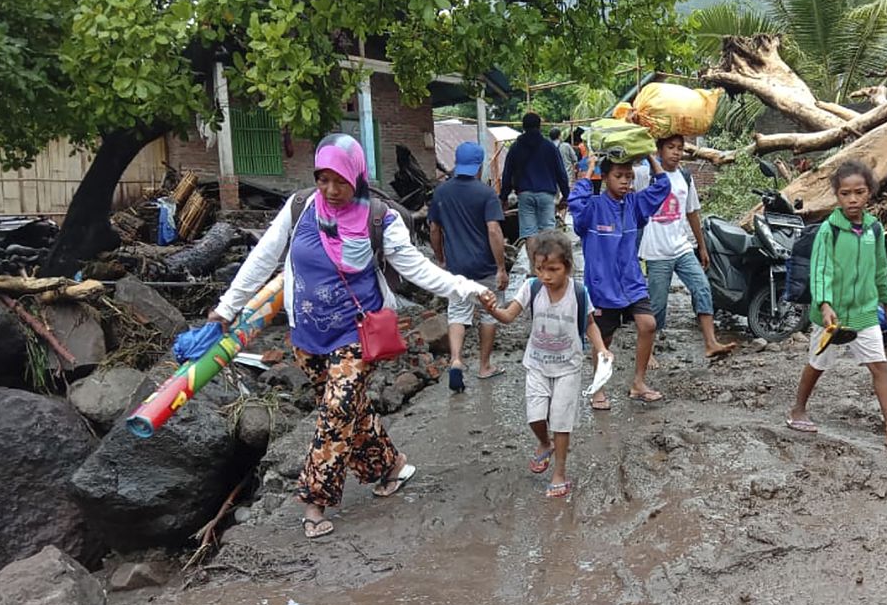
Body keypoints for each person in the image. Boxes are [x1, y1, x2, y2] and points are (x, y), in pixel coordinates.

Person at [210, 134, 489, 539]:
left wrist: (466, 288)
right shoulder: (300, 207)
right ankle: (389, 467)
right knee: (350, 410)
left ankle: (313, 500)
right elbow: (263, 258)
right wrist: (227, 307)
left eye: (339, 181)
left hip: (357, 334)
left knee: (337, 410)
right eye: (323, 179)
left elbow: (418, 270)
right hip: (306, 336)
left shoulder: (380, 219)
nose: (330, 190)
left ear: (357, 176)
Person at [785, 159, 887, 449]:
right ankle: (798, 409)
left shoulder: (873, 229)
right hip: (832, 318)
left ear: (869, 192)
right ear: (837, 195)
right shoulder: (829, 230)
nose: (852, 199)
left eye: (859, 192)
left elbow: (879, 268)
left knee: (880, 367)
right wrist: (823, 305)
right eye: (845, 193)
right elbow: (820, 271)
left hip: (864, 313)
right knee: (817, 363)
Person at [480, 231, 609, 498]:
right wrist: (492, 309)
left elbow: (589, 325)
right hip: (537, 364)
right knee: (535, 417)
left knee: (562, 422)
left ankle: (559, 472)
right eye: (540, 269)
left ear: (568, 268)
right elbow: (508, 316)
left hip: (568, 367)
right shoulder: (531, 287)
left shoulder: (578, 292)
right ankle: (543, 442)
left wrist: (602, 349)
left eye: (553, 270)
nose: (546, 276)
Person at [570, 153, 670, 409]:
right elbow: (575, 203)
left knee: (648, 325)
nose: (625, 181)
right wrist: (589, 168)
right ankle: (598, 389)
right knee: (603, 339)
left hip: (632, 281)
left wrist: (649, 154)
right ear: (604, 179)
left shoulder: (635, 204)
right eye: (618, 176)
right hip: (603, 286)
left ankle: (638, 383)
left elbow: (662, 187)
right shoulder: (592, 208)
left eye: (629, 176)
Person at [633, 134, 736, 360]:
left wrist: (702, 246)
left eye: (680, 148)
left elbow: (692, 212)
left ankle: (710, 342)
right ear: (659, 149)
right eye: (670, 147)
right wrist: (648, 153)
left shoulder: (685, 177)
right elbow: (625, 168)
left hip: (682, 247)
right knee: (657, 303)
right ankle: (647, 352)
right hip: (656, 251)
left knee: (702, 288)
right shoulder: (644, 176)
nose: (676, 152)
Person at [429, 141, 508, 391]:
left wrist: (440, 258)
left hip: (456, 269)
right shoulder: (486, 194)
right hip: (484, 267)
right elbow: (494, 230)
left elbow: (434, 229)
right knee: (488, 313)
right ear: (479, 165)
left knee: (457, 314)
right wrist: (501, 267)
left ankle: (455, 360)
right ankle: (484, 367)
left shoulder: (441, 193)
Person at [499, 112, 571, 255]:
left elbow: (507, 174)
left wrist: (503, 197)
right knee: (548, 232)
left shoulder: (515, 148)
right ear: (539, 126)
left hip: (525, 194)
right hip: (546, 194)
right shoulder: (549, 147)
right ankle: (548, 266)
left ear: (523, 127)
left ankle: (534, 268)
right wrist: (566, 195)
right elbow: (561, 173)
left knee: (529, 233)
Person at [573, 127, 602, 195]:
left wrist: (577, 172)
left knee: (586, 193)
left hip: (585, 174)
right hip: (597, 174)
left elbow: (577, 160)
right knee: (596, 193)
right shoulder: (597, 145)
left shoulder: (580, 146)